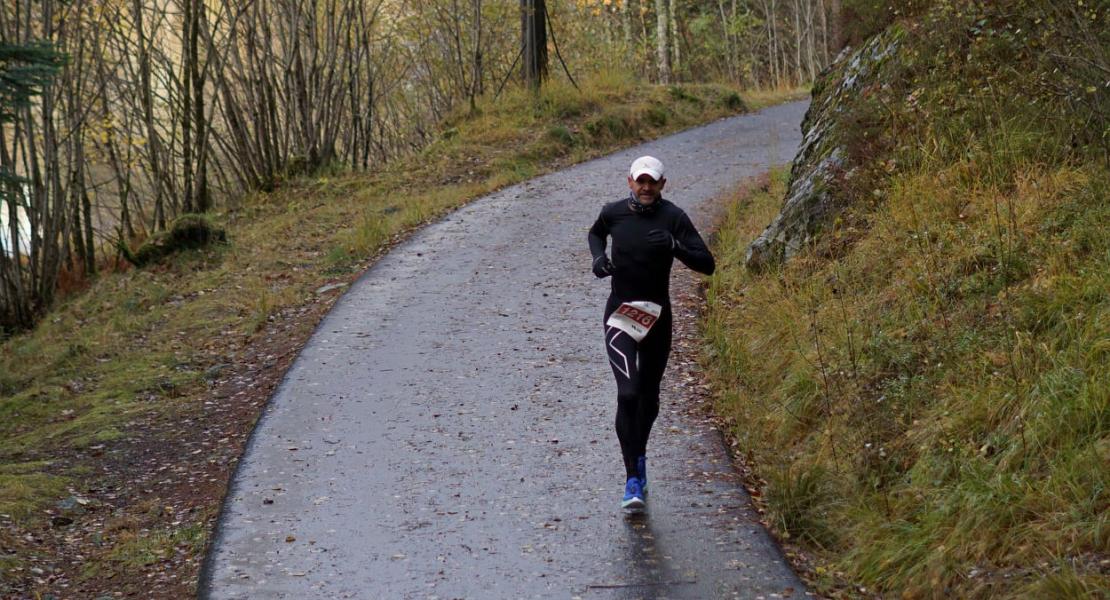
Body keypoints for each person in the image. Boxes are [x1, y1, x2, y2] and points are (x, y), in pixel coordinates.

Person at [587, 155, 715, 511]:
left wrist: (675, 246)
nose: (645, 188)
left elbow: (708, 265)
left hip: (658, 317)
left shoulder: (673, 217)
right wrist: (598, 260)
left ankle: (639, 454)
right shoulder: (613, 212)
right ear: (629, 181)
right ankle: (632, 480)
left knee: (649, 397)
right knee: (628, 394)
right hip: (621, 315)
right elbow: (596, 233)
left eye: (652, 182)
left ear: (662, 184)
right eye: (640, 181)